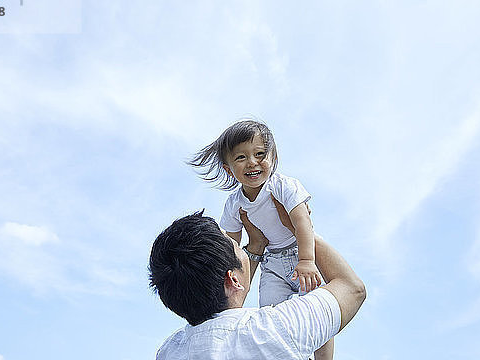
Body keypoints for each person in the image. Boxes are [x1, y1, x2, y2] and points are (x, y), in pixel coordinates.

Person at [149, 196, 366, 359]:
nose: (241, 248)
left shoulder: (169, 351)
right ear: (232, 280)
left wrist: (255, 248)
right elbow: (352, 288)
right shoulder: (275, 329)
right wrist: (298, 230)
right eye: (237, 246)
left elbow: (228, 296)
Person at [188, 119, 334, 359]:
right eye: (241, 158)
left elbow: (302, 223)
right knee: (270, 313)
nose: (252, 163)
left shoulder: (283, 186)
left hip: (300, 254)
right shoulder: (234, 204)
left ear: (272, 157)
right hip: (272, 263)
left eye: (259, 154)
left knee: (317, 312)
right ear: (228, 169)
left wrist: (307, 259)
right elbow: (231, 247)